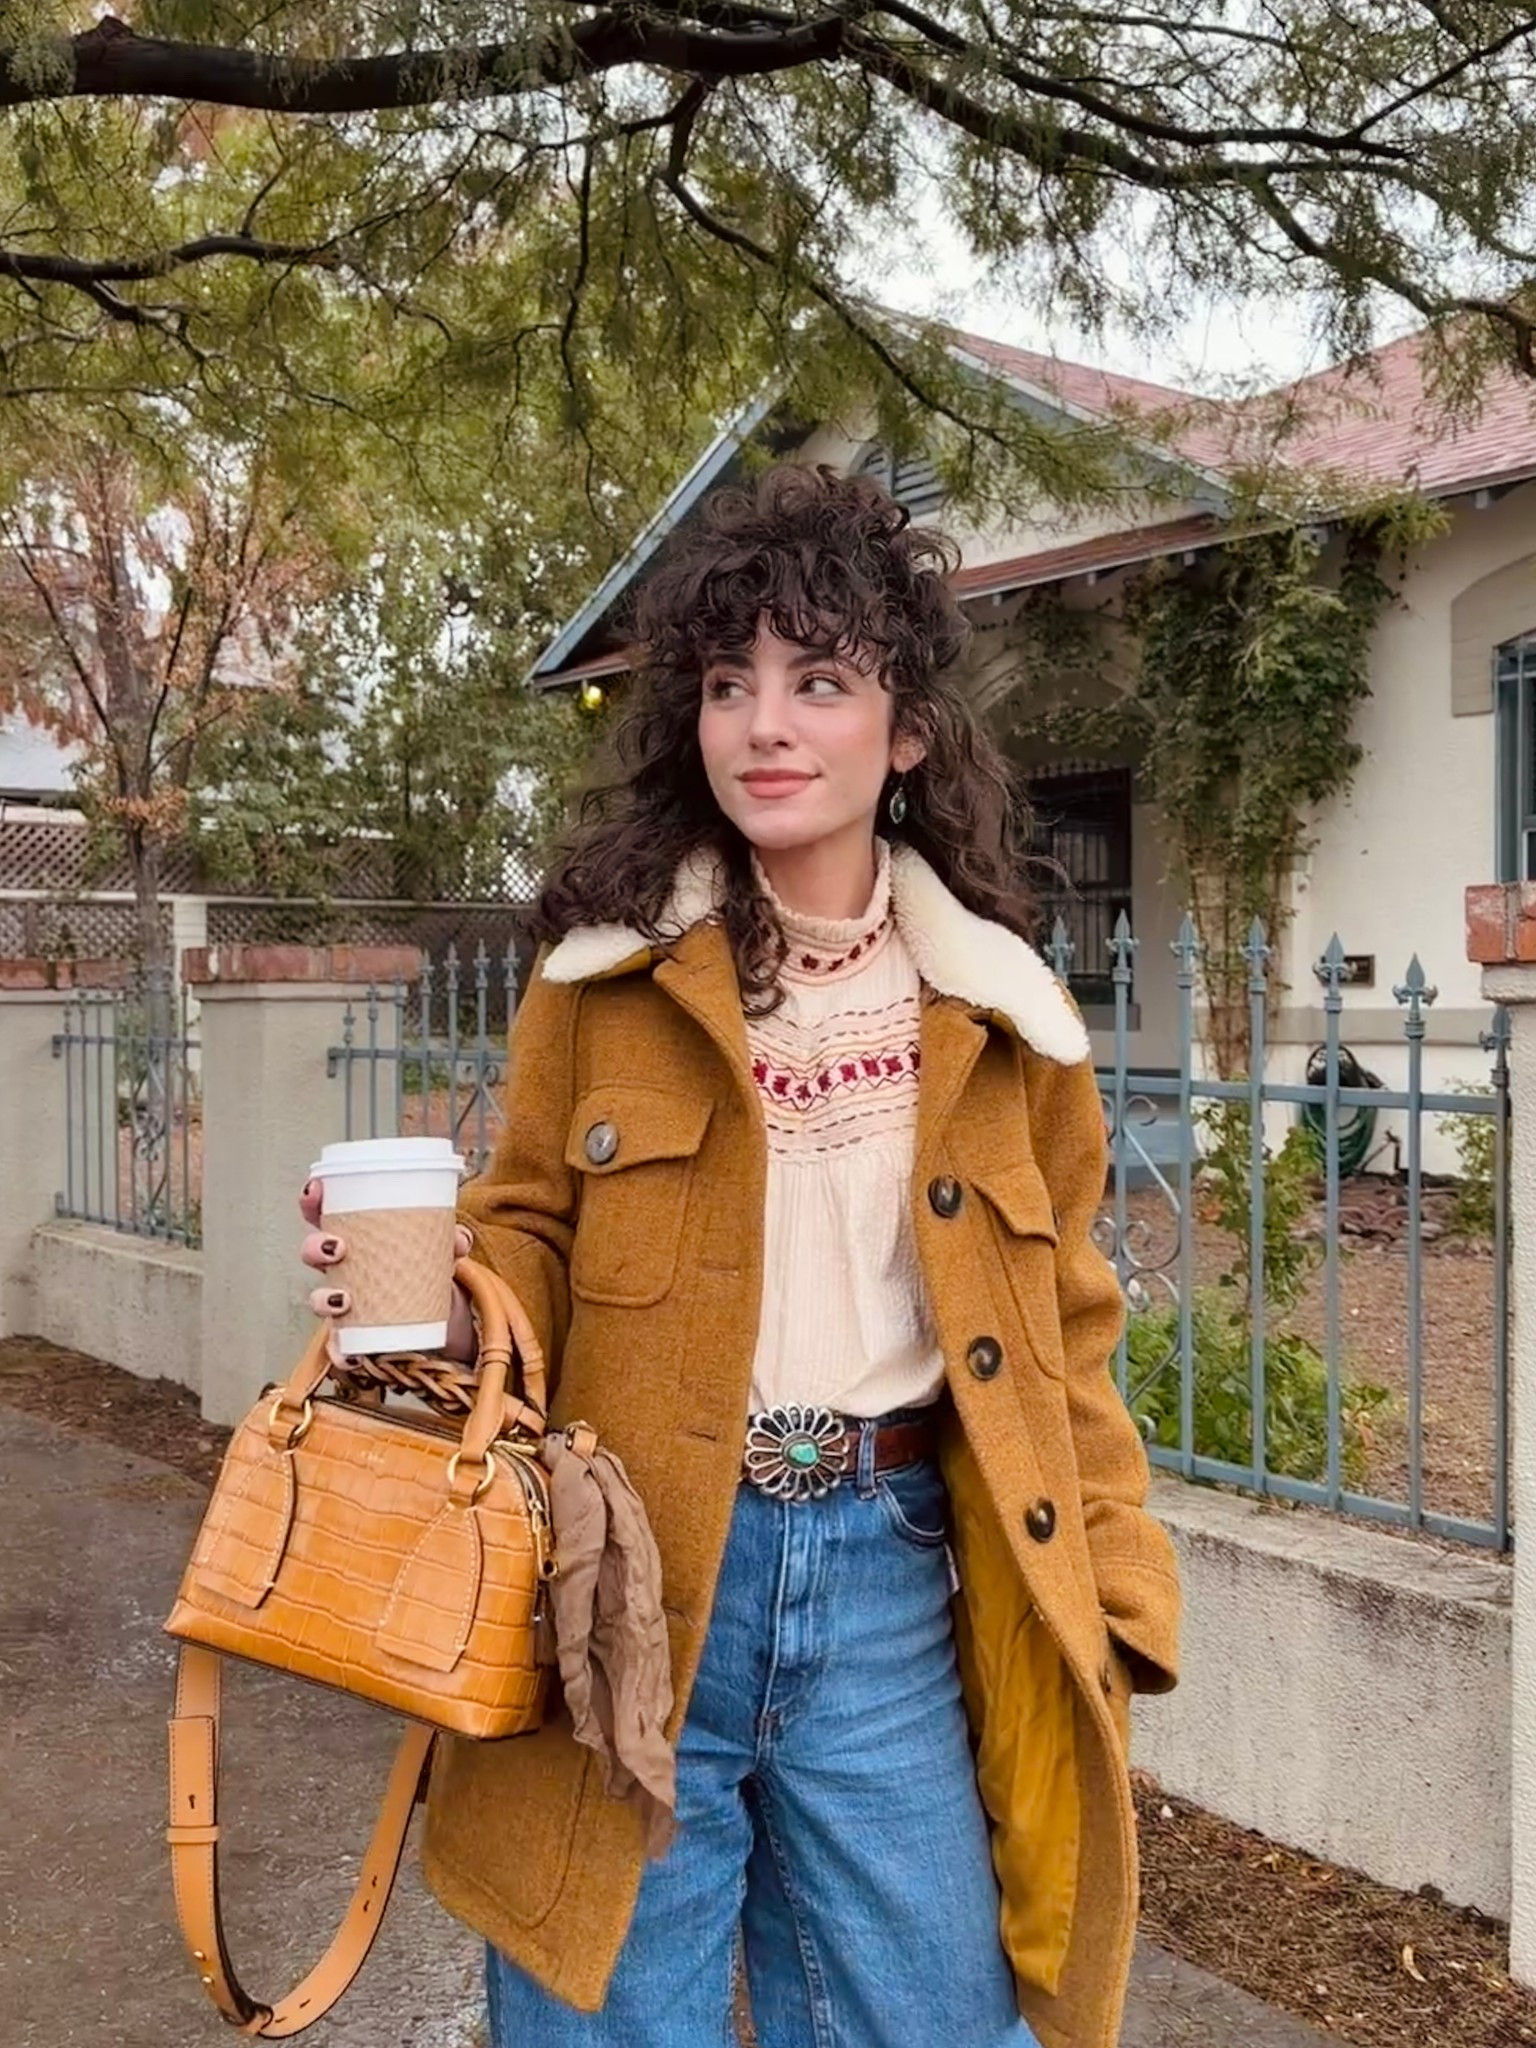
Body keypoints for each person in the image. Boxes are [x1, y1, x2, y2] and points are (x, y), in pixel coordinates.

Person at [300, 463, 1181, 2048]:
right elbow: (527, 1243)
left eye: (819, 681)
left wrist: (1114, 1604)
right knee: (605, 2013)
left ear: (905, 730)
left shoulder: (1009, 1025)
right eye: (728, 685)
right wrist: (434, 1298)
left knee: (929, 2019)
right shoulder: (603, 983)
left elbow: (1069, 1340)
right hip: (622, 1585)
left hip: (895, 1580)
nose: (765, 724)